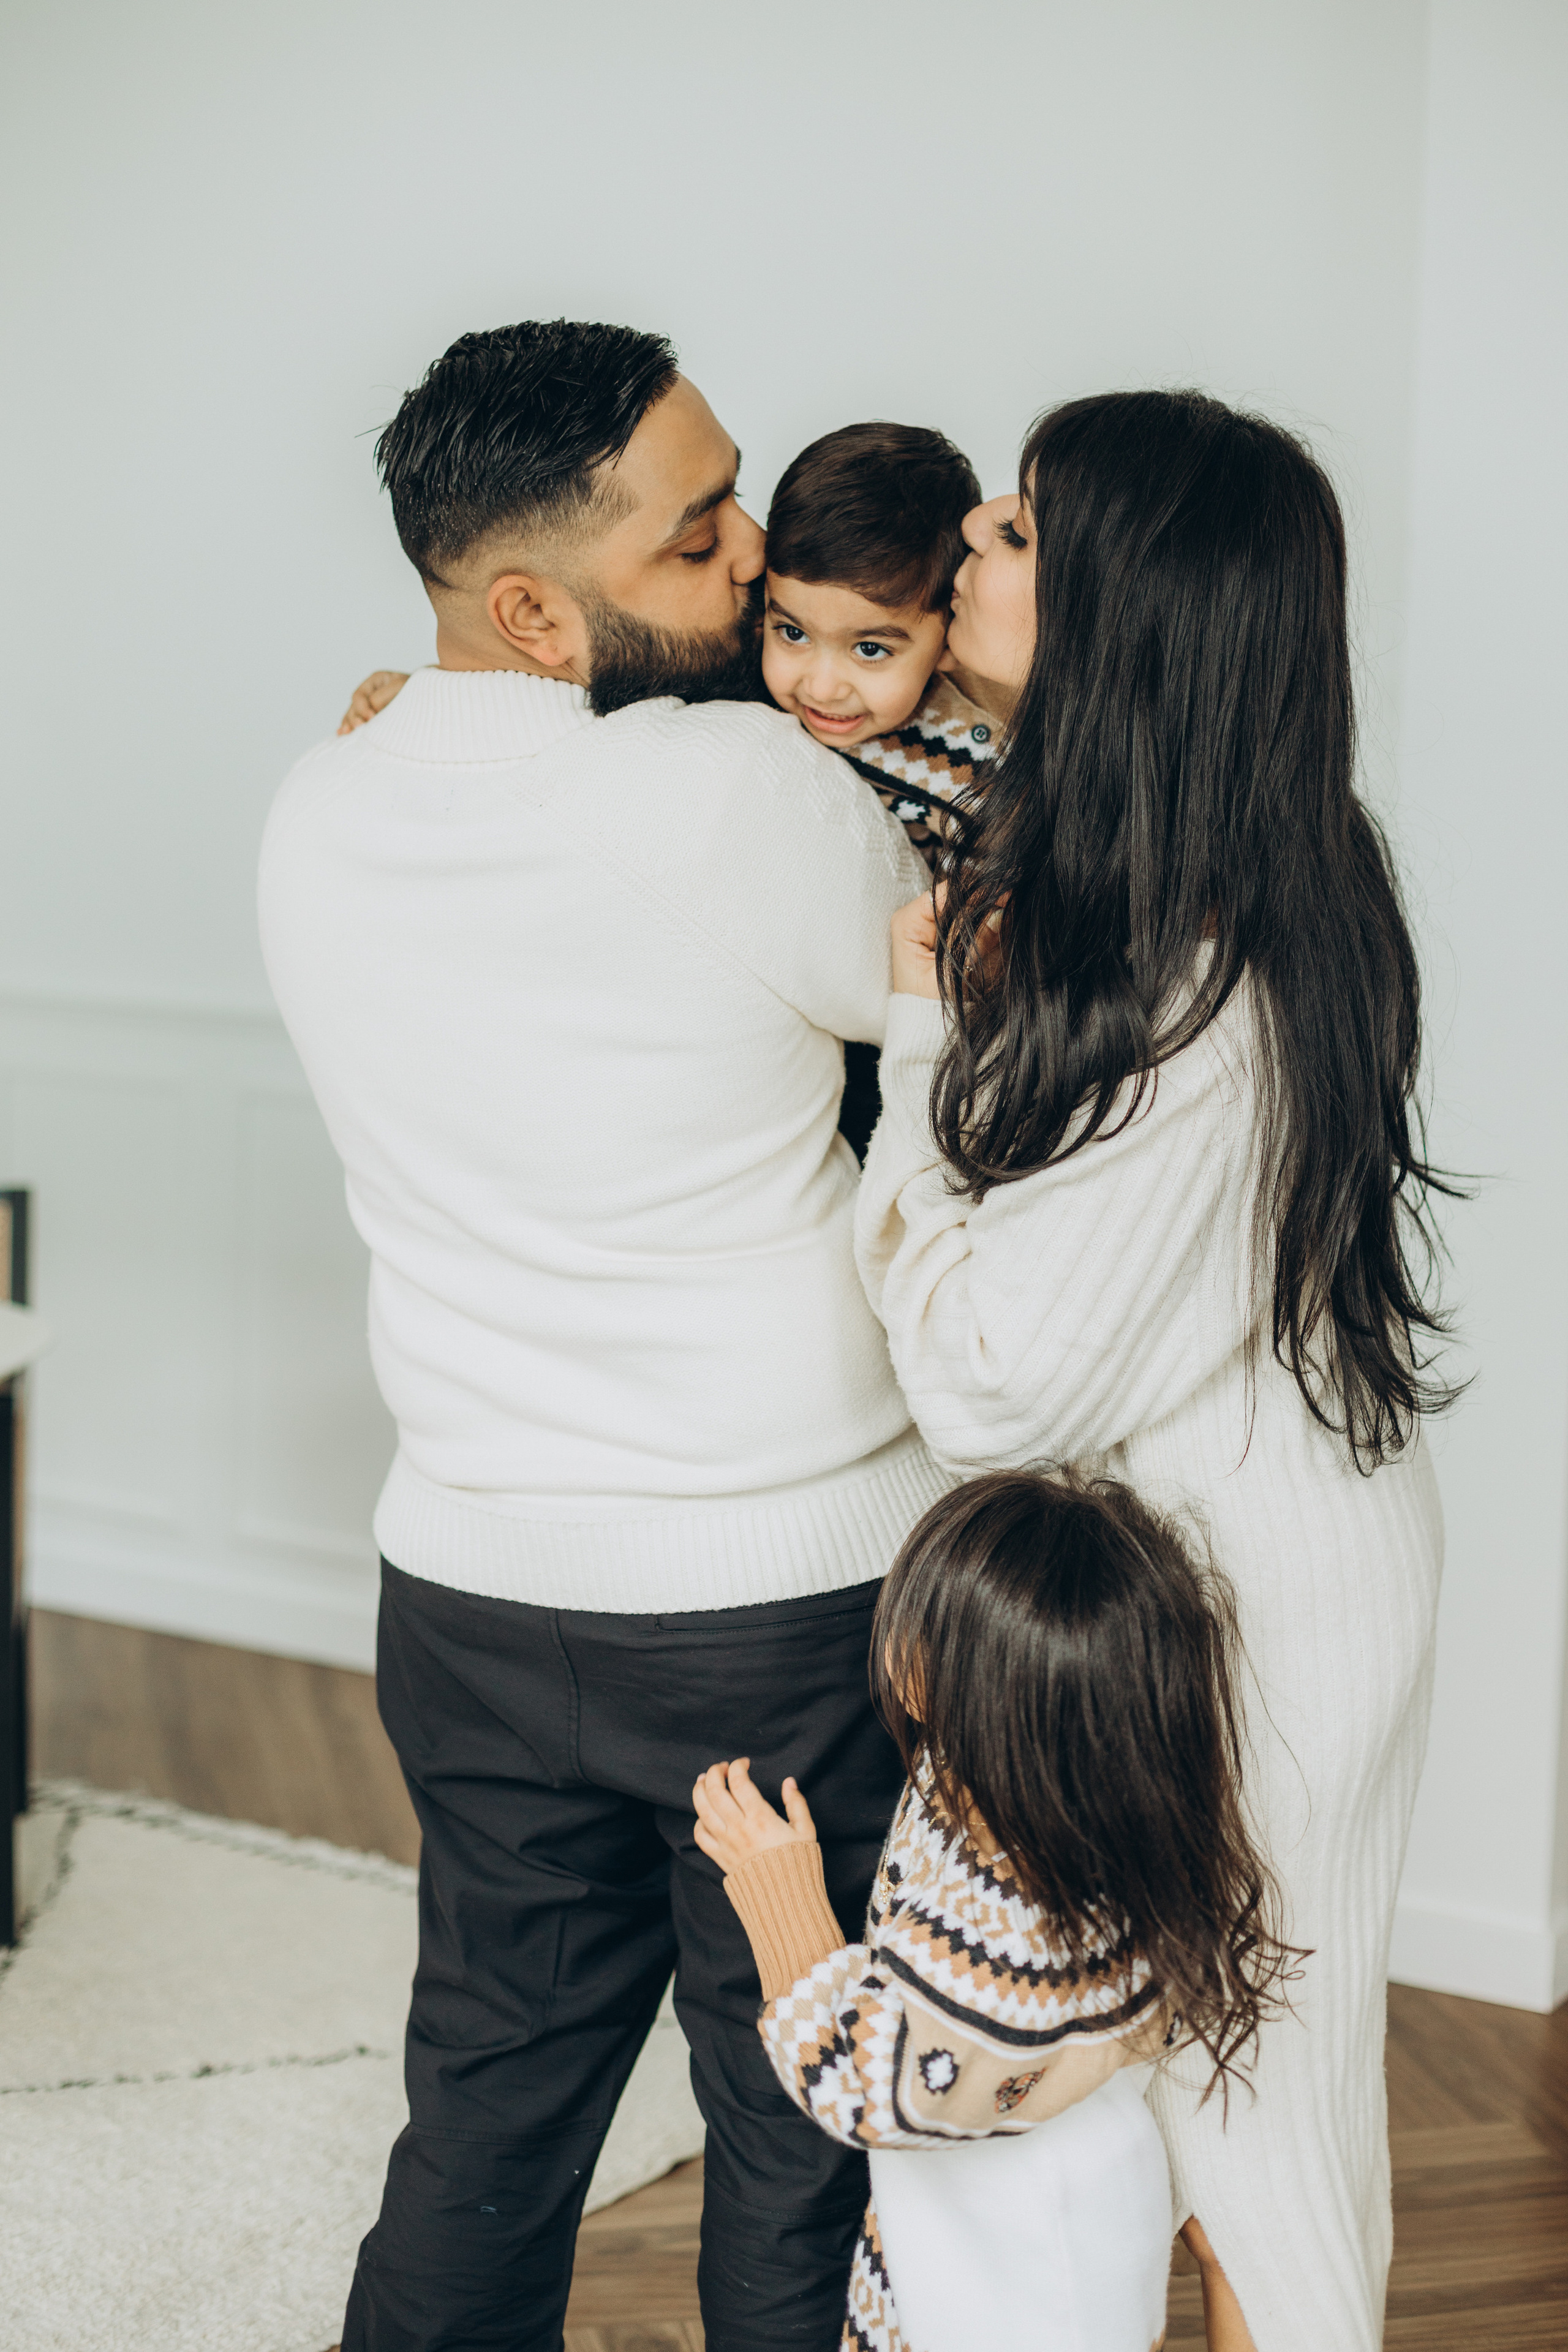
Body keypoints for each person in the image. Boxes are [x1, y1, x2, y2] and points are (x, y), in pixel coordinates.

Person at [258, 318, 953, 2352]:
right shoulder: (731, 785)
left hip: (468, 1586)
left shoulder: (319, 799)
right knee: (795, 2116)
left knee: (485, 2115)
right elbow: (936, 985)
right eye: (701, 532)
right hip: (776, 1593)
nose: (756, 558)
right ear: (538, 608)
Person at [853, 389, 1452, 2352]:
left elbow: (992, 1393)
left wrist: (922, 1044)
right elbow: (814, 676)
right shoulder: (1186, 844)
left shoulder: (1187, 972)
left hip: (1253, 1590)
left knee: (1245, 2109)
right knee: (1215, 2077)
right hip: (1244, 1542)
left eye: (1019, 530)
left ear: (1130, 603)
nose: (969, 546)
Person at [695, 1471, 1290, 2352]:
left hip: (1028, 2245)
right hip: (966, 2205)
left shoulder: (1020, 1923)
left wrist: (781, 1889)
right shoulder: (1036, 1785)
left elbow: (871, 2087)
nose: (891, 1646)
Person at [337, 418, 1005, 1160]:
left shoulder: (975, 758)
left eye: (871, 650)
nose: (820, 683)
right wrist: (423, 692)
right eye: (790, 632)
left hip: (921, 1042)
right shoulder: (744, 682)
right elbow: (589, 688)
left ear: (945, 631)